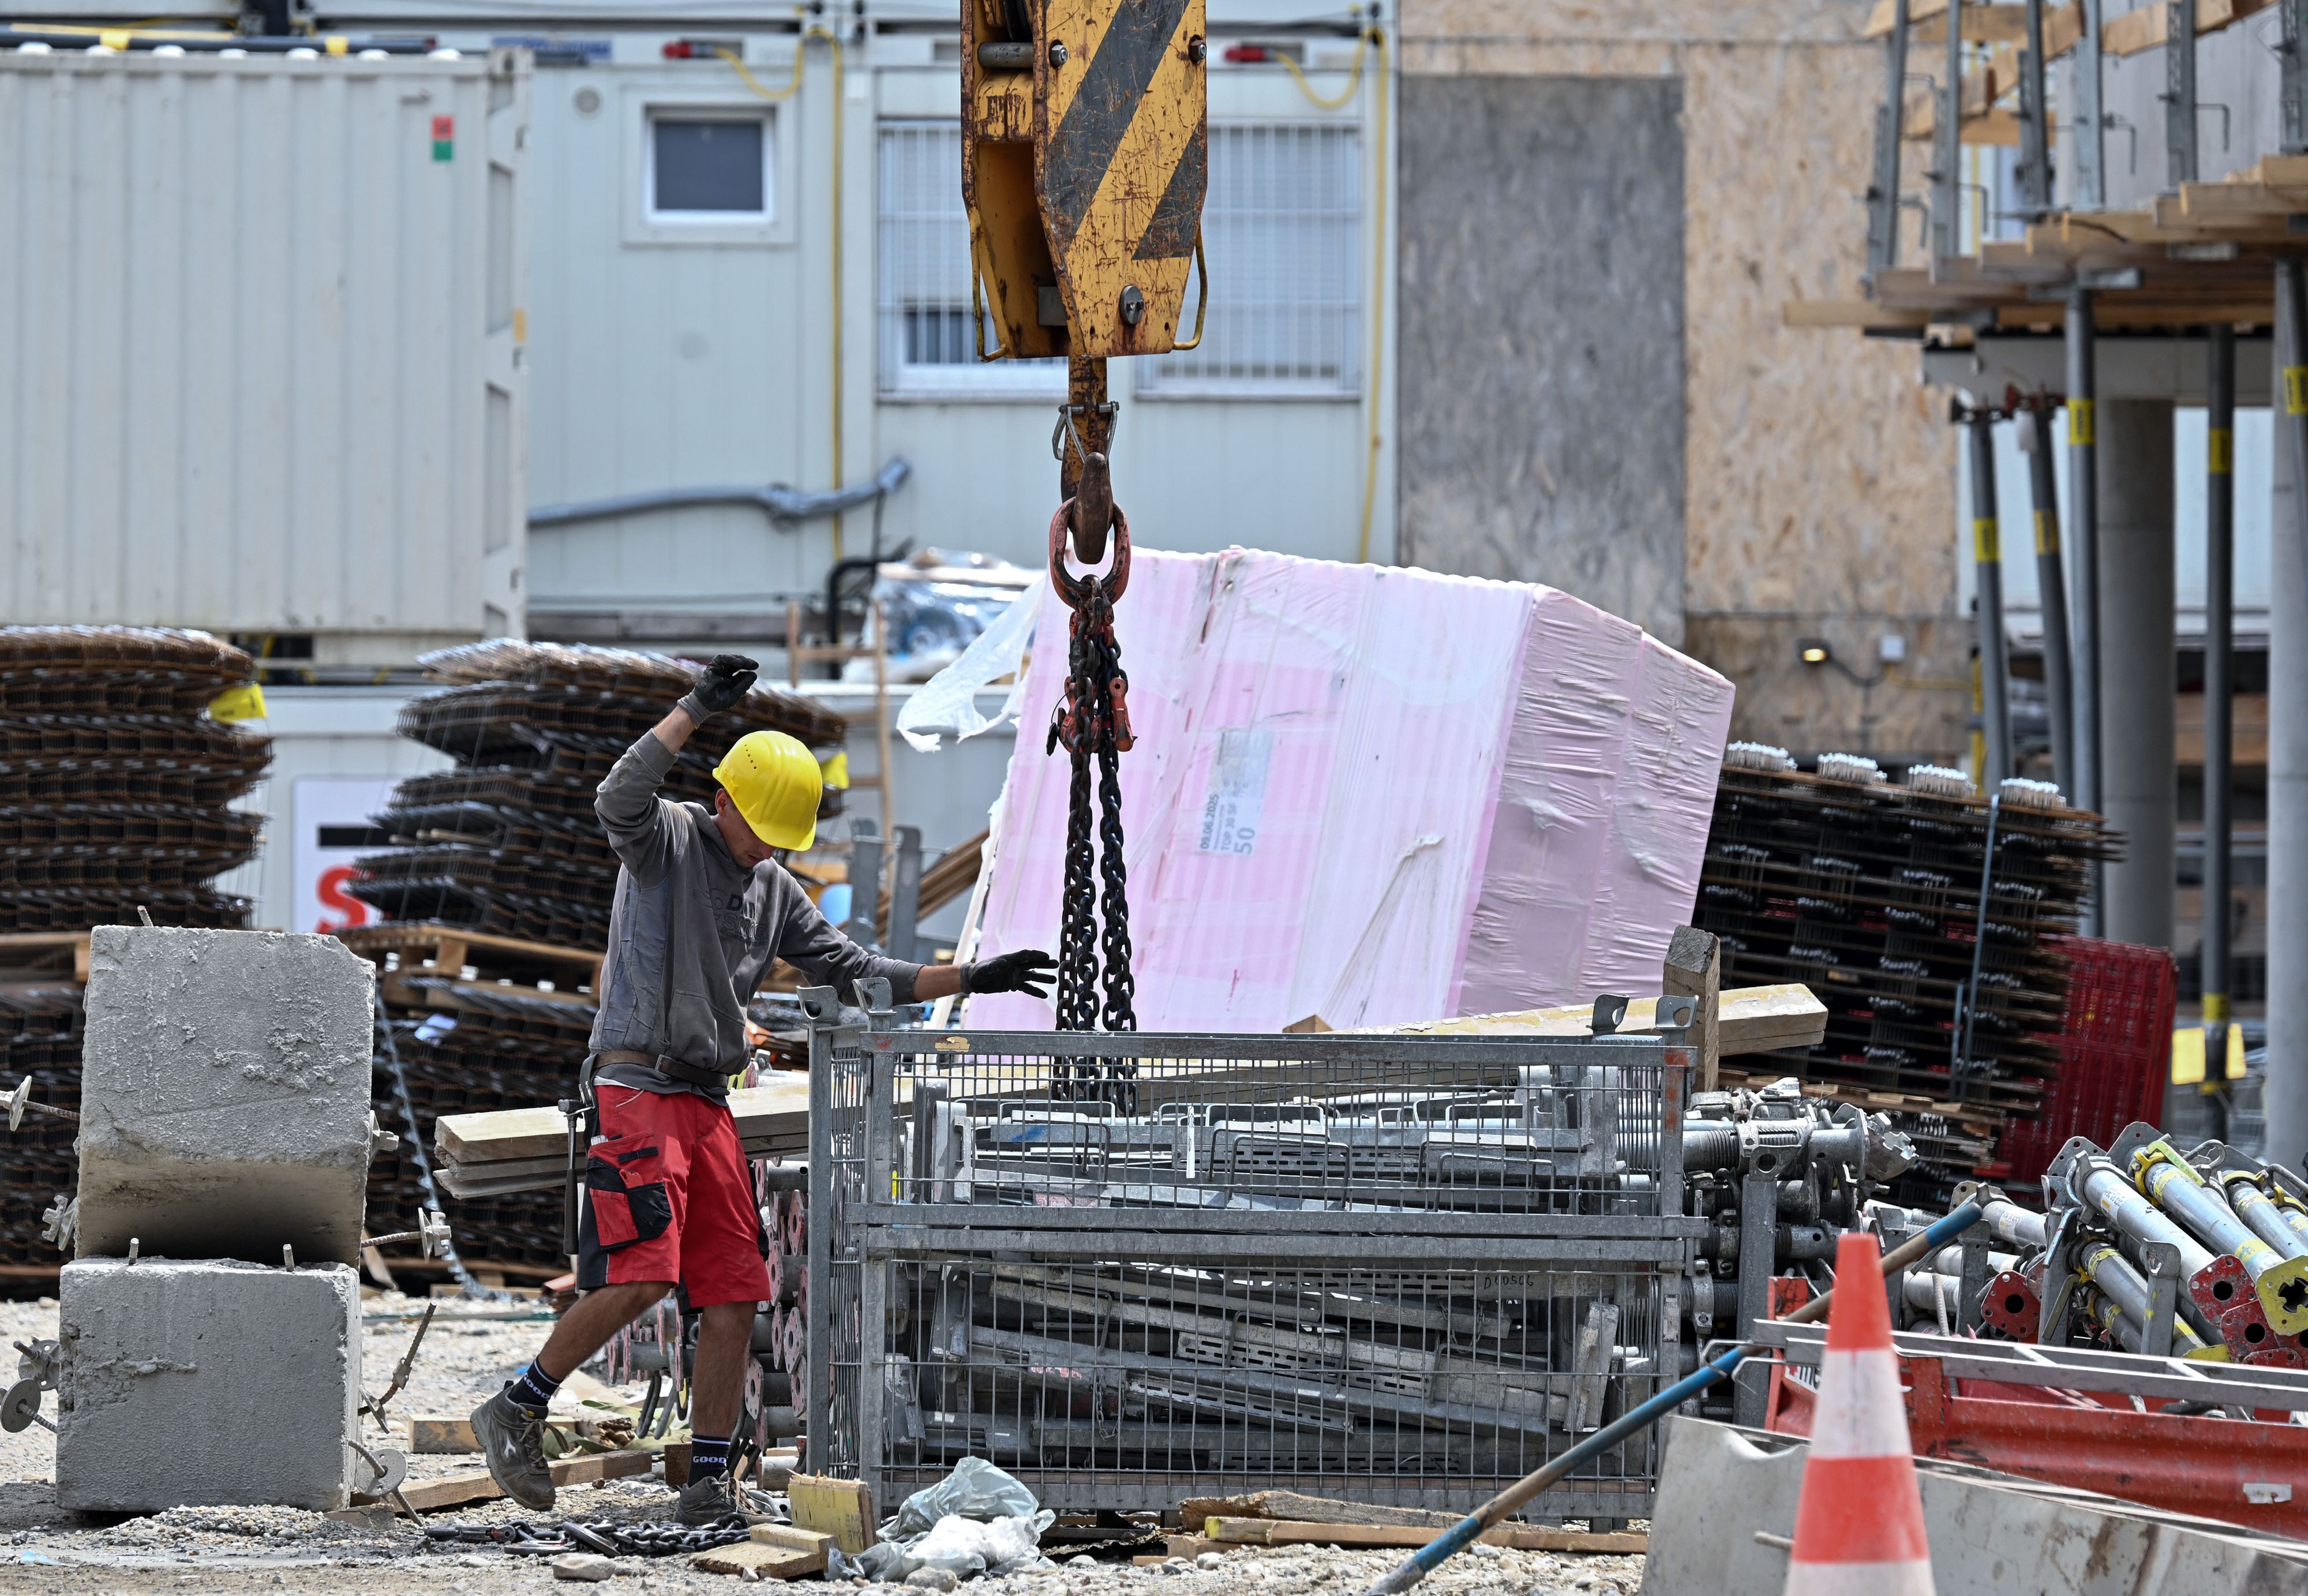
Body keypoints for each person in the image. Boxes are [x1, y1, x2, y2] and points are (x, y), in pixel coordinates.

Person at [470, 653, 1053, 1523]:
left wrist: (971, 975)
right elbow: (615, 797)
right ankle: (518, 1406)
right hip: (637, 1088)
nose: (768, 846)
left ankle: (708, 1479)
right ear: (723, 801)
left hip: (706, 1101)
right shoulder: (665, 841)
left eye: (783, 835)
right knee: (645, 1273)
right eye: (760, 828)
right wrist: (694, 707)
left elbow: (859, 970)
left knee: (736, 1287)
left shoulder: (773, 888)